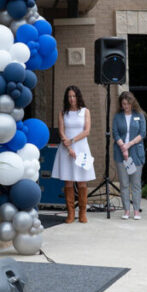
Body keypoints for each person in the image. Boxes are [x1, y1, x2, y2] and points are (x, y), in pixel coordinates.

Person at [51, 85, 95, 224]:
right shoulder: (63, 112)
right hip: (66, 150)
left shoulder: (85, 111)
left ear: (78, 97)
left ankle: (82, 213)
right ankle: (70, 213)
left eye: (74, 96)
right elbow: (61, 131)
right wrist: (68, 146)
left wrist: (72, 141)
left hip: (81, 148)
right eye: (69, 96)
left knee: (82, 181)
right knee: (68, 180)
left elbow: (87, 131)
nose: (71, 99)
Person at [112, 91, 146, 220]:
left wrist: (129, 145)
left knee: (136, 184)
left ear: (133, 103)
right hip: (120, 153)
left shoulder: (139, 116)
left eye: (128, 103)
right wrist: (123, 146)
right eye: (124, 104)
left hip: (136, 152)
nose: (126, 106)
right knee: (124, 183)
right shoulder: (117, 117)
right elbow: (115, 133)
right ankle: (126, 210)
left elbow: (142, 134)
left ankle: (136, 210)